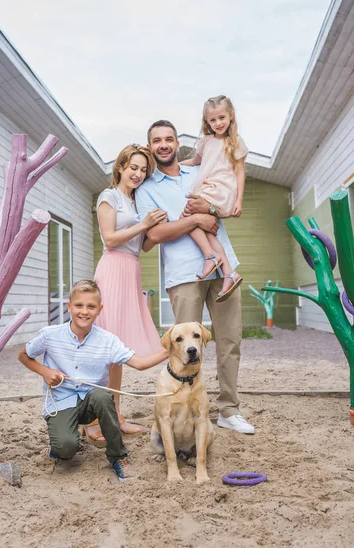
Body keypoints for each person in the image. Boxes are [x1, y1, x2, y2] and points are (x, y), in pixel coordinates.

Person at [135, 120, 255, 434]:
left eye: (169, 139)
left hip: (223, 268)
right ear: (150, 147)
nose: (163, 144)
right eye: (157, 140)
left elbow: (226, 204)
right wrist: (195, 219)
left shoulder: (198, 172)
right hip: (183, 273)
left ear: (177, 144)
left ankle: (229, 410)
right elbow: (156, 233)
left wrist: (210, 210)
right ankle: (184, 414)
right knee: (183, 350)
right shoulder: (146, 188)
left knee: (230, 341)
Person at [18, 280, 168, 482]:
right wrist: (44, 371)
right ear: (69, 306)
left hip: (92, 403)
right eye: (79, 305)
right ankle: (62, 443)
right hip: (61, 401)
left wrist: (171, 350)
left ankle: (118, 456)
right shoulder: (50, 335)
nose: (84, 311)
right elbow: (23, 356)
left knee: (102, 395)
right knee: (65, 448)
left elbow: (140, 363)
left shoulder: (108, 341)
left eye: (91, 306)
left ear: (100, 309)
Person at [86, 144, 167, 446]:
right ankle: (94, 419)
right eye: (133, 167)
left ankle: (116, 414)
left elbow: (143, 245)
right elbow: (109, 239)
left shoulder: (138, 201)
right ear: (120, 166)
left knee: (118, 351)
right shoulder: (109, 197)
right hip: (112, 269)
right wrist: (144, 224)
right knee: (103, 347)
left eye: (143, 170)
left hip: (132, 270)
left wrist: (156, 229)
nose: (138, 173)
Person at [179, 95, 248, 301]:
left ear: (231, 115)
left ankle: (211, 257)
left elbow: (239, 172)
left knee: (187, 216)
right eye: (213, 120)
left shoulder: (235, 142)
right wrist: (174, 166)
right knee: (205, 228)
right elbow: (194, 161)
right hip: (207, 188)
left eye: (222, 117)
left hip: (221, 190)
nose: (218, 123)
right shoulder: (206, 142)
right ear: (207, 122)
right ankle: (228, 272)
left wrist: (239, 201)